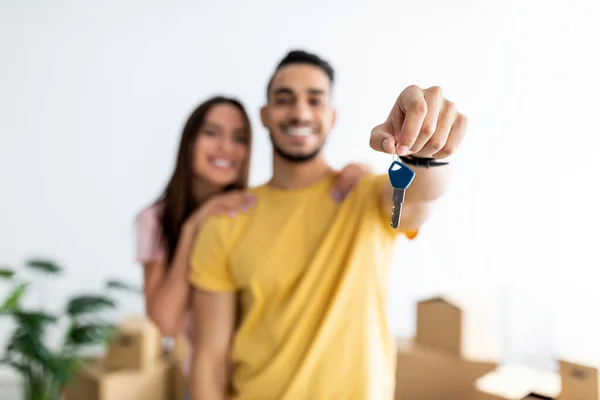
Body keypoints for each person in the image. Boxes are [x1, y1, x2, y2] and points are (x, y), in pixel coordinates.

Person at [188, 50, 467, 400]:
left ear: (332, 117)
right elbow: (210, 359)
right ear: (265, 115)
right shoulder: (227, 221)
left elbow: (423, 196)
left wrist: (424, 152)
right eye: (284, 99)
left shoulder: (367, 197)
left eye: (315, 100)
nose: (300, 112)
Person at [135, 95, 373, 394]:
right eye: (211, 133)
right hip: (212, 383)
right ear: (189, 141)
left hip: (265, 376)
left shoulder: (251, 210)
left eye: (239, 138)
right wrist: (193, 228)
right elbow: (166, 322)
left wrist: (361, 174)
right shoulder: (155, 220)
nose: (226, 147)